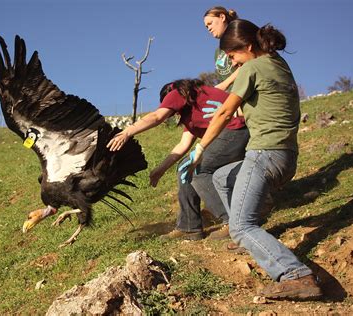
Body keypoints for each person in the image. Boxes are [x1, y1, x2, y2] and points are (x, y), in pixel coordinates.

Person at [182, 19, 322, 299]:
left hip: (263, 155)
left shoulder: (252, 68)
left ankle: (296, 274)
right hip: (286, 157)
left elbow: (222, 113)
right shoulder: (279, 64)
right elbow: (269, 105)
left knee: (241, 225)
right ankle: (253, 234)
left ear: (247, 47)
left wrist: (199, 150)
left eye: (233, 56)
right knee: (221, 176)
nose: (233, 64)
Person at [107, 79, 249, 240]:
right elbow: (183, 145)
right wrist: (160, 170)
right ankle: (189, 227)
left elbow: (156, 116)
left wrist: (127, 132)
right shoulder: (193, 110)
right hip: (230, 134)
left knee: (197, 170)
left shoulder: (176, 92)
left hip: (235, 130)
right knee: (185, 168)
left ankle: (234, 222)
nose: (173, 113)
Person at [203, 6, 240, 92]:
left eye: (210, 23)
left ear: (222, 17)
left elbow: (249, 65)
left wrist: (224, 84)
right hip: (235, 98)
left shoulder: (239, 36)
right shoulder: (218, 52)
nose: (209, 28)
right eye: (206, 27)